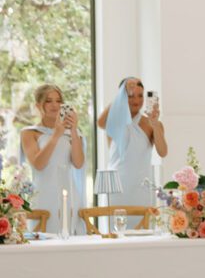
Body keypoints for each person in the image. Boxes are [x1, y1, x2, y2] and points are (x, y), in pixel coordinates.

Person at [20, 84, 86, 235]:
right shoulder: (30, 133)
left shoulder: (74, 133)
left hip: (69, 194)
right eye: (49, 101)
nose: (55, 105)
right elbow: (39, 164)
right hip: (43, 194)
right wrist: (56, 134)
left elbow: (78, 163)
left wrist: (73, 130)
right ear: (38, 105)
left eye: (58, 101)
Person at [97, 77, 168, 213]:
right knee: (118, 229)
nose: (136, 100)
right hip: (117, 186)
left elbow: (163, 152)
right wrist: (121, 93)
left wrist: (155, 124)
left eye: (140, 95)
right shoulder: (114, 121)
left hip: (142, 186)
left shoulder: (152, 124)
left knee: (144, 230)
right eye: (130, 95)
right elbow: (100, 123)